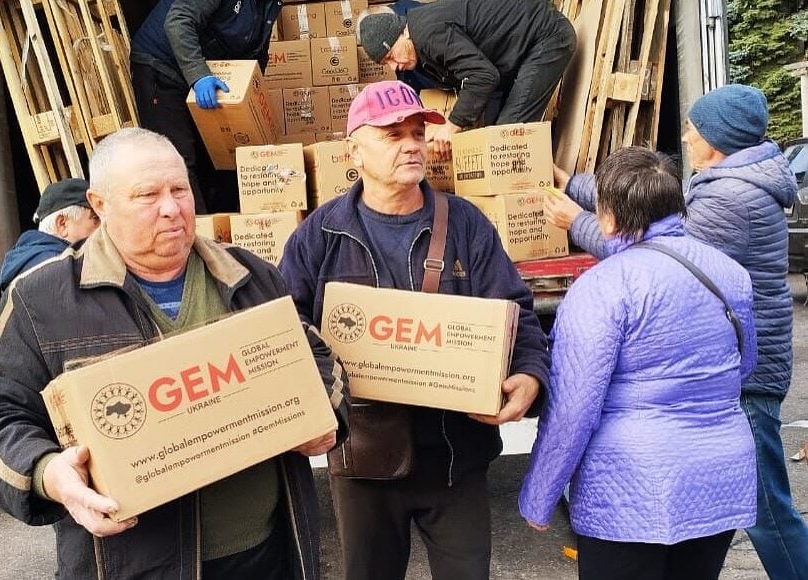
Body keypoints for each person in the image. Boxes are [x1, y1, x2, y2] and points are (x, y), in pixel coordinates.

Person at [0, 128, 350, 580]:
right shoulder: (40, 300)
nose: (172, 208)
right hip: (133, 565)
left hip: (268, 553)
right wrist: (49, 474)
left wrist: (323, 416)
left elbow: (319, 358)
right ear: (99, 205)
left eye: (179, 190)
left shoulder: (251, 276)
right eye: (147, 195)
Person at [278, 80, 551, 580]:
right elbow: (285, 331)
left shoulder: (467, 224)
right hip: (362, 460)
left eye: (417, 133)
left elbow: (517, 313)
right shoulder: (318, 235)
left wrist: (530, 375)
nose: (411, 145)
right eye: (392, 134)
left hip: (455, 458)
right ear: (353, 150)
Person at [546, 84, 808, 579]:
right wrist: (577, 183)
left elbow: (660, 252)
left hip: (735, 378)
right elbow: (659, 204)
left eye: (694, 127)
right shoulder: (728, 181)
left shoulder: (730, 197)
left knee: (767, 512)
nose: (686, 135)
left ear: (718, 137)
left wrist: (577, 221)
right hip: (730, 368)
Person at [520, 147, 759, 580]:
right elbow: (743, 367)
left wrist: (540, 493)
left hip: (629, 488)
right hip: (719, 476)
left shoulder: (602, 286)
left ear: (607, 216)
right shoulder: (730, 273)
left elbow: (573, 408)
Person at [357, 0, 576, 159]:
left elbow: (482, 76)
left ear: (401, 33)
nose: (394, 66)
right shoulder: (420, 46)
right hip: (515, 54)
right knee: (490, 139)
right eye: (386, 64)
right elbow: (481, 77)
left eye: (391, 56)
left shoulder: (428, 34)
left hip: (547, 37)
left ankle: (522, 202)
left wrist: (452, 126)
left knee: (506, 140)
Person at [130, 0, 283, 214]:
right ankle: (197, 238)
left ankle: (220, 231)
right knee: (178, 158)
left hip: (207, 70)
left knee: (219, 156)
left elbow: (258, 51)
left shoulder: (270, 4)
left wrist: (251, 92)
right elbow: (178, 21)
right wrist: (199, 75)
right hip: (163, 67)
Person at [0, 178, 99, 290]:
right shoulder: (60, 270)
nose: (102, 228)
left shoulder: (32, 263)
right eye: (95, 218)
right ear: (63, 224)